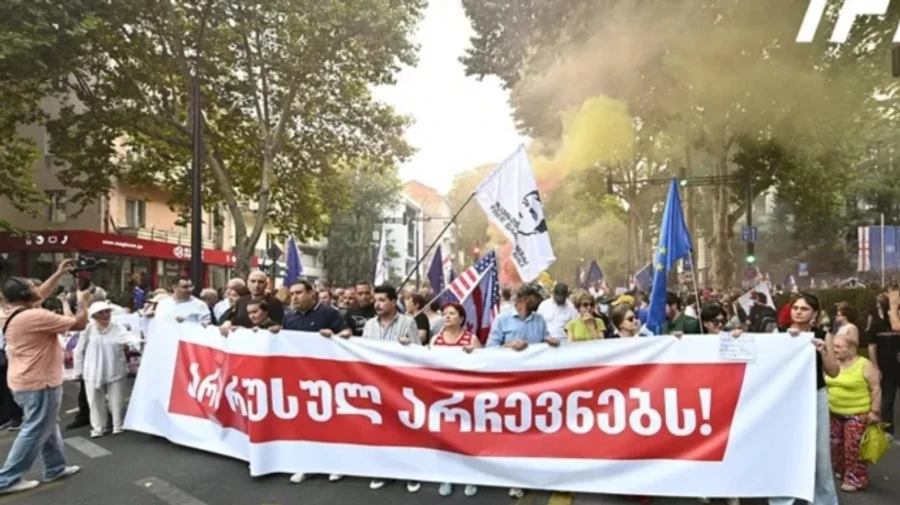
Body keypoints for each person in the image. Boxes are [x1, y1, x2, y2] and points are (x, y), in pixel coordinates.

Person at [0, 263, 89, 495]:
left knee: (47, 426)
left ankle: (55, 467)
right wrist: (82, 301)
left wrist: (59, 273)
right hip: (41, 383)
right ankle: (6, 479)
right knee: (35, 429)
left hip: (23, 380)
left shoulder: (10, 311)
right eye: (32, 286)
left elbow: (41, 295)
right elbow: (79, 324)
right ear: (26, 294)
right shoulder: (35, 316)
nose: (37, 289)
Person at [485, 283, 557, 499]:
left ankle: (534, 474)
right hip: (511, 386)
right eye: (536, 298)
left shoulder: (539, 320)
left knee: (535, 432)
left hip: (536, 386)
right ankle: (514, 478)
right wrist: (509, 346)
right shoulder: (502, 319)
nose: (539, 302)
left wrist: (550, 341)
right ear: (524, 299)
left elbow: (544, 343)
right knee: (514, 434)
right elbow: (489, 348)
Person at [360, 284, 420, 492]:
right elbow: (362, 353)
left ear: (394, 302)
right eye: (376, 300)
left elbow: (419, 356)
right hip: (376, 384)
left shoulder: (408, 322)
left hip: (401, 385)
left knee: (405, 428)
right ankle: (385, 471)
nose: (378, 304)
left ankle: (410, 473)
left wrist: (408, 347)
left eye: (382, 300)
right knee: (382, 429)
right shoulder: (369, 326)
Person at [428, 302, 479, 497]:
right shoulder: (436, 339)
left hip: (465, 396)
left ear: (461, 318)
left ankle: (470, 476)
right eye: (445, 314)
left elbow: (484, 365)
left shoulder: (471, 339)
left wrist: (473, 354)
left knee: (466, 435)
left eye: (452, 313)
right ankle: (447, 476)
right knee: (445, 437)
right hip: (442, 397)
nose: (447, 316)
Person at [74, 301, 141, 438]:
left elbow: (127, 338)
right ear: (94, 316)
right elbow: (79, 350)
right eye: (101, 313)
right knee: (94, 400)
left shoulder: (117, 327)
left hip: (114, 367)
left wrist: (138, 343)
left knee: (116, 400)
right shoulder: (88, 329)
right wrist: (78, 370)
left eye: (107, 312)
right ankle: (98, 427)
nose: (105, 315)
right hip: (92, 369)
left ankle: (118, 424)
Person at [826, 331, 881, 492]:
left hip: (857, 414)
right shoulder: (832, 364)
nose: (834, 349)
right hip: (834, 412)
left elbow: (876, 388)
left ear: (851, 349)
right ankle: (843, 471)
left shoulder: (864, 364)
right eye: (833, 346)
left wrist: (875, 411)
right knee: (835, 447)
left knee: (853, 448)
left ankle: (855, 479)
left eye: (838, 346)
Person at [870, 291, 900, 437]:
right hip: (887, 370)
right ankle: (887, 430)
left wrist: (894, 305)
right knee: (887, 401)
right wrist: (875, 367)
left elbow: (896, 327)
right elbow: (871, 346)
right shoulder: (877, 325)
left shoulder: (895, 322)